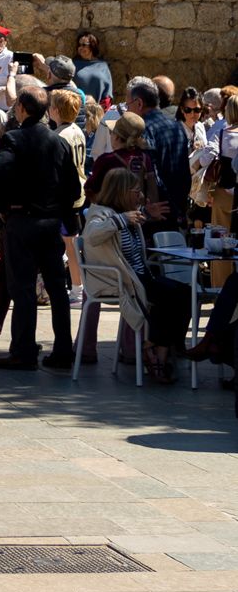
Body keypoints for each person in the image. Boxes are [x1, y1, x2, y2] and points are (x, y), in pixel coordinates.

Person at [0, 76, 83, 370]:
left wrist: (2, 208)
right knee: (56, 288)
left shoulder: (14, 138)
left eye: (17, 105)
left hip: (22, 220)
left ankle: (24, 351)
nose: (15, 110)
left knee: (23, 288)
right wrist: (67, 219)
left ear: (24, 109)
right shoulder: (58, 140)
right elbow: (73, 188)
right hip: (51, 222)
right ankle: (63, 350)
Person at [81, 166, 192, 382]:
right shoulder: (100, 213)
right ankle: (159, 352)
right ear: (122, 192)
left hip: (139, 277)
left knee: (184, 294)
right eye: (136, 191)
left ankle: (156, 346)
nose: (140, 196)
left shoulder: (129, 214)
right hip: (121, 280)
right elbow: (92, 236)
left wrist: (143, 216)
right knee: (167, 297)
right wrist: (121, 220)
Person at [130, 76, 192, 221]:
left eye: (128, 105)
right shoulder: (177, 126)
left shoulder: (145, 129)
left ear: (139, 103)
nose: (128, 109)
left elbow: (151, 170)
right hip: (176, 206)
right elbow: (184, 170)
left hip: (157, 210)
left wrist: (154, 204)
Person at [72, 30, 114, 105]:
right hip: (78, 109)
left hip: (98, 110)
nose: (80, 48)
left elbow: (108, 92)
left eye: (84, 45)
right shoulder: (73, 64)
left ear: (92, 46)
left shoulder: (103, 66)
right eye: (79, 45)